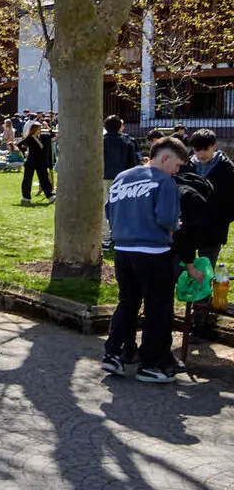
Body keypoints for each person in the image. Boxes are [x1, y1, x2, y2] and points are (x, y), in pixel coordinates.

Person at [101, 137, 189, 383]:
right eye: (177, 165)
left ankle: (113, 352)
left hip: (123, 250)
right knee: (157, 309)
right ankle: (150, 364)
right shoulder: (165, 182)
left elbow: (109, 211)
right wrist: (174, 225)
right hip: (153, 251)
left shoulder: (122, 177)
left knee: (127, 303)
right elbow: (166, 218)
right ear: (166, 158)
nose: (177, 170)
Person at [183, 128, 234, 267]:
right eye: (197, 149)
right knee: (183, 271)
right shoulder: (185, 167)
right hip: (188, 228)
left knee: (206, 271)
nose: (201, 153)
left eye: (206, 149)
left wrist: (223, 220)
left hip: (214, 229)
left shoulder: (227, 168)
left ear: (214, 147)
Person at [102, 116, 140, 248]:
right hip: (123, 179)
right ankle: (120, 234)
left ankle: (105, 238)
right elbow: (133, 163)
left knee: (103, 207)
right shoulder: (127, 142)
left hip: (104, 177)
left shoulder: (100, 142)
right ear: (120, 126)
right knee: (122, 207)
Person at [18, 121, 55, 204]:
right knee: (27, 180)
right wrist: (24, 153)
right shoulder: (29, 138)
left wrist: (48, 128)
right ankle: (26, 197)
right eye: (39, 129)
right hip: (31, 162)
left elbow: (52, 137)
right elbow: (19, 145)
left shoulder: (42, 138)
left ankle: (50, 196)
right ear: (34, 130)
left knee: (44, 179)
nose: (40, 131)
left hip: (41, 163)